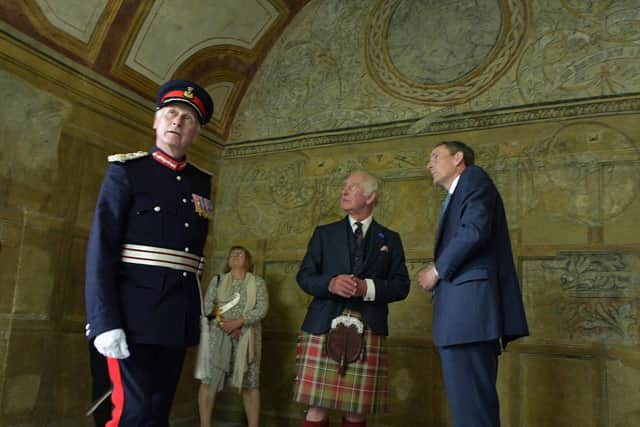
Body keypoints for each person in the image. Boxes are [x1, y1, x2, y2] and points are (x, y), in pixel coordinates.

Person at [85, 80, 214, 426]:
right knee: (131, 413)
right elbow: (102, 252)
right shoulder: (127, 172)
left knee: (157, 413)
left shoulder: (201, 182)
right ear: (156, 121)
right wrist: (104, 322)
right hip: (130, 319)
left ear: (196, 133)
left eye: (188, 119)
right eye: (171, 113)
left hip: (175, 318)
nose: (177, 122)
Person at [418, 141, 529, 427]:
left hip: (467, 320)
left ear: (458, 158)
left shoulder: (474, 178)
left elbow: (473, 231)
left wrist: (437, 271)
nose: (428, 164)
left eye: (435, 156)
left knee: (472, 414)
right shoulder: (460, 192)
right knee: (471, 410)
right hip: (463, 321)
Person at [294, 171, 410, 427]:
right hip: (323, 323)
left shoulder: (390, 239)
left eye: (353, 187)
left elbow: (402, 286)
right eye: (344, 187)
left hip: (369, 326)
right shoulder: (324, 233)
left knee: (356, 412)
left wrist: (366, 288)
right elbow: (304, 277)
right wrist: (331, 283)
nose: (344, 191)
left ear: (371, 197)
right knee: (316, 409)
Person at [197, 246, 269, 427]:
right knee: (209, 381)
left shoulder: (258, 282)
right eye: (232, 254)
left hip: (247, 338)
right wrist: (226, 326)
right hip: (217, 337)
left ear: (249, 261)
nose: (236, 256)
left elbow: (261, 309)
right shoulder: (218, 280)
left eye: (241, 253)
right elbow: (207, 308)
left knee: (250, 384)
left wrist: (239, 323)